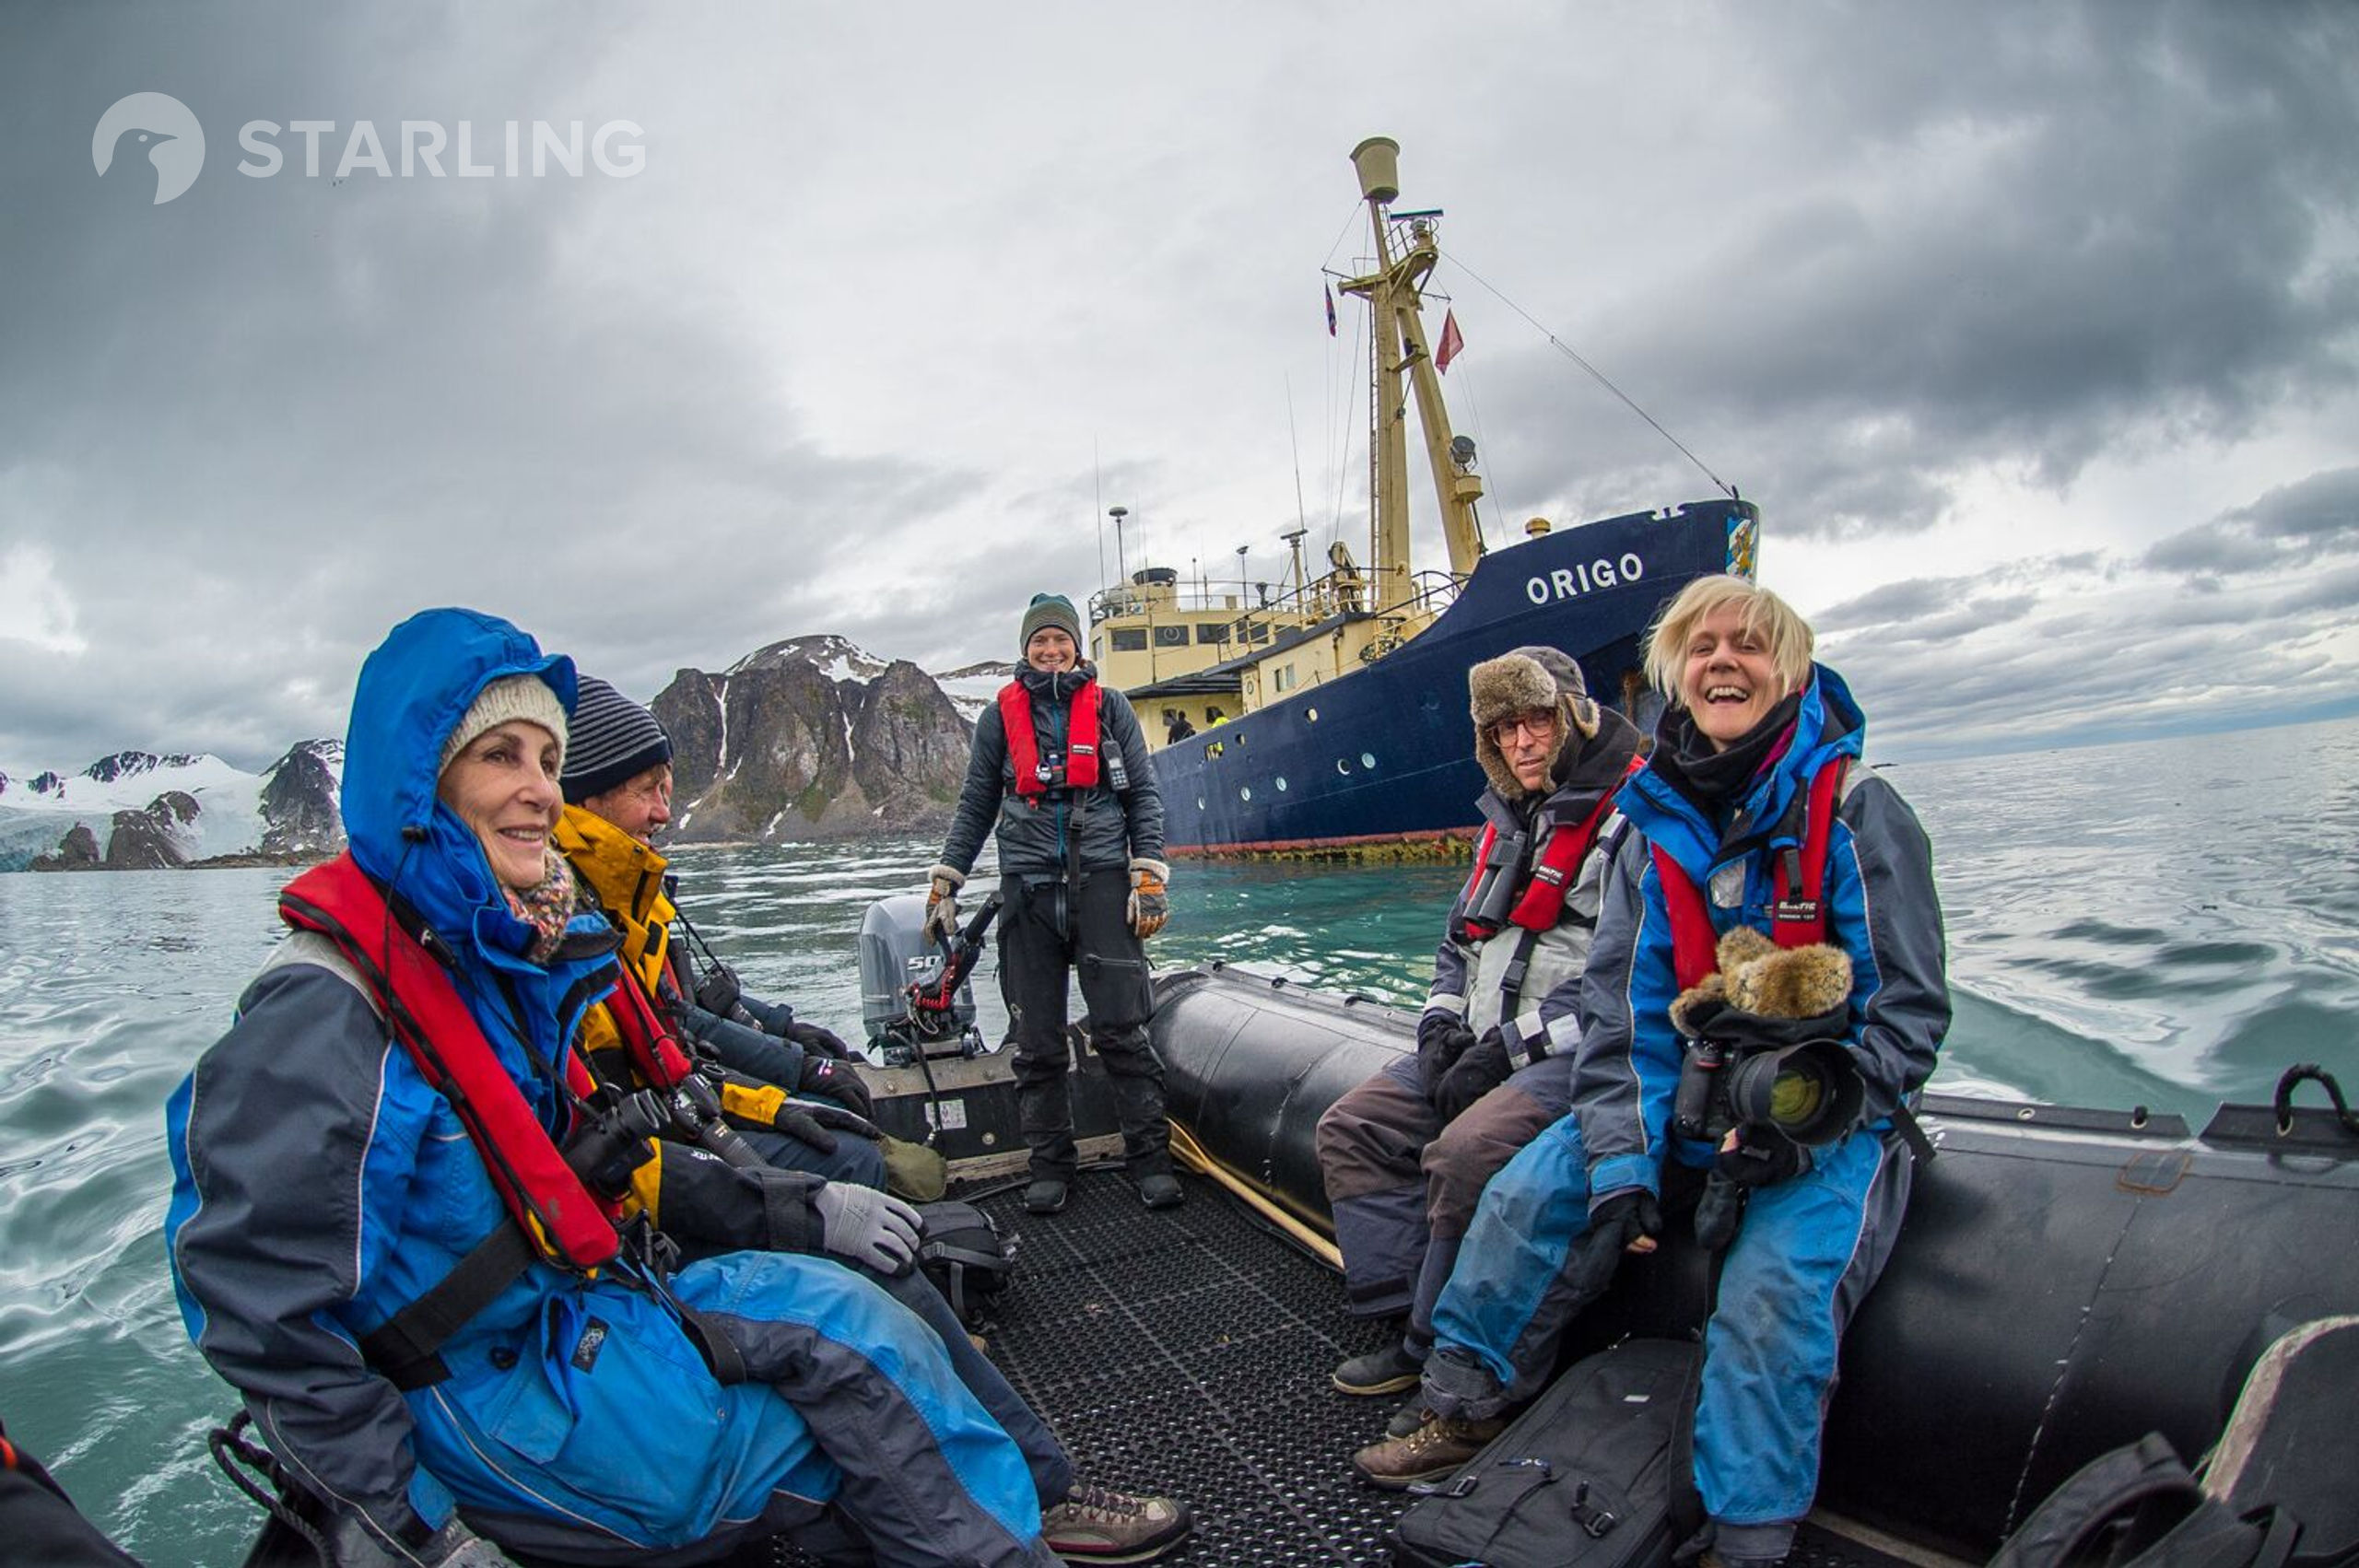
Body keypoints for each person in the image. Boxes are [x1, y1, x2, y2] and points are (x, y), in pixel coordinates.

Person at [165, 607, 1191, 1567]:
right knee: (852, 1398)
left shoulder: (489, 961)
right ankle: (1011, 1533)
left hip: (585, 1309)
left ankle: (1024, 1504)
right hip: (495, 1393)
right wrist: (410, 1534)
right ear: (418, 783)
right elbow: (260, 1306)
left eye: (548, 761)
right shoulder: (324, 1015)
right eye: (498, 756)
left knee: (856, 1317)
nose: (537, 788)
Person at [1391, 578, 1949, 1568]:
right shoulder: (1656, 825)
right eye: (1701, 647)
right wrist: (1622, 1167)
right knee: (1529, 1193)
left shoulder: (1860, 811)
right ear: (1672, 674)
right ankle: (1465, 1401)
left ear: (1791, 668)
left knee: (1775, 1294)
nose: (1722, 660)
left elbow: (1905, 1010)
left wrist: (1802, 1122)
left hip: (1819, 1113)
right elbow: (1624, 1010)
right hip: (1686, 1092)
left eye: (1748, 644)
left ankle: (1747, 1531)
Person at [1319, 647, 1641, 1464]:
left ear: (1571, 715)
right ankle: (1403, 1313)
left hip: (1569, 1052)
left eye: (1536, 721)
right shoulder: (1506, 822)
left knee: (1462, 1155)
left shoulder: (1630, 823)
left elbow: (1623, 975)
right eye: (1503, 730)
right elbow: (1456, 949)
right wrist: (1438, 1030)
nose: (1523, 742)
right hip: (1484, 1040)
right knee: (1352, 1126)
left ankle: (1433, 1345)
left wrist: (1505, 1051)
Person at [555, 675, 886, 1193]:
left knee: (841, 1114)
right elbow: (659, 1047)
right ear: (586, 797)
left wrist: (787, 1041)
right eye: (645, 791)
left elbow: (672, 1016)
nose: (664, 813)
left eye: (665, 790)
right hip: (637, 1153)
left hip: (676, 1102)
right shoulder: (569, 920)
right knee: (852, 1160)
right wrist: (795, 1074)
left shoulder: (623, 894)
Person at [925, 592, 1178, 1216]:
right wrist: (947, 879)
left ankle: (1150, 1160)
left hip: (1103, 885)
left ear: (1076, 646)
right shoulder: (996, 719)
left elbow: (1142, 796)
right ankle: (1050, 1166)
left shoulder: (1112, 708)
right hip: (1028, 890)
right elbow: (976, 803)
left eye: (1060, 640)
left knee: (1121, 1029)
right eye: (1040, 641)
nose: (1051, 650)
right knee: (1035, 1040)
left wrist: (1147, 875)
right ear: (1026, 649)